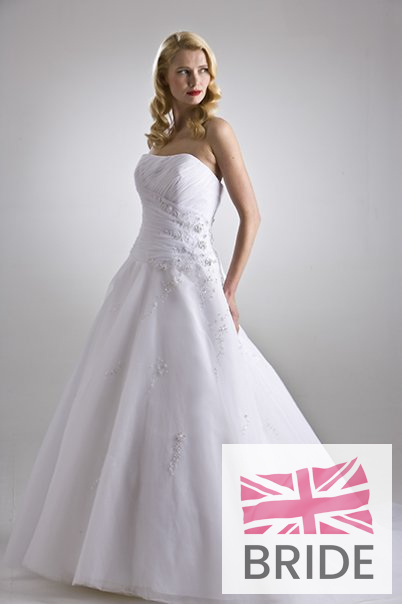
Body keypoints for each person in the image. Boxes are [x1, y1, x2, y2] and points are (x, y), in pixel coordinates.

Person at [1, 31, 401, 604]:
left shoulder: (218, 131)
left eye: (202, 70)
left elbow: (251, 214)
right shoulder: (163, 138)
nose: (195, 80)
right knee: (127, 408)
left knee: (203, 408)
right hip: (138, 281)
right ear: (165, 79)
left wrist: (230, 287)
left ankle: (227, 547)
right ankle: (122, 545)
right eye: (184, 72)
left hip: (194, 284)